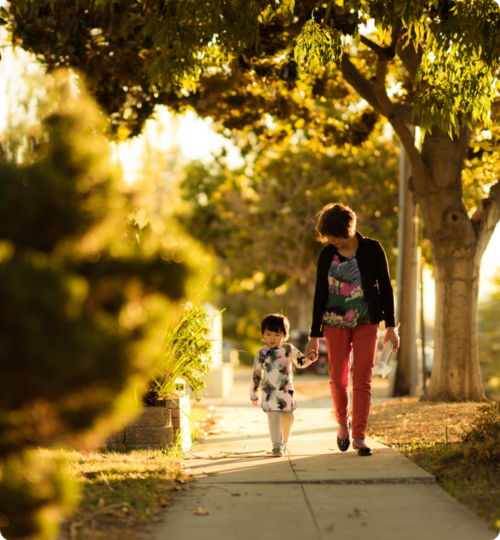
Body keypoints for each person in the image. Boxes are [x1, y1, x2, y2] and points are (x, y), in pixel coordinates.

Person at [305, 203, 399, 457]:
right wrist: (314, 336)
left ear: (349, 229)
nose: (330, 240)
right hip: (333, 323)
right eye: (327, 236)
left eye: (333, 235)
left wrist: (391, 327)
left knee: (362, 378)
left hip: (367, 321)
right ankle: (342, 423)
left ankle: (359, 435)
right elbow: (320, 294)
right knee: (338, 378)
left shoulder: (372, 249)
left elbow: (386, 289)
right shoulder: (327, 255)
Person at [250, 313, 317, 457]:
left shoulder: (288, 349)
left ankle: (284, 440)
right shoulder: (261, 353)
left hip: (286, 392)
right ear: (263, 335)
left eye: (276, 334)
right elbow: (256, 373)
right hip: (269, 393)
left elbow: (300, 363)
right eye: (268, 334)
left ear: (284, 335)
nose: (272, 338)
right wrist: (254, 393)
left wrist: (310, 359)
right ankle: (277, 445)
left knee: (289, 418)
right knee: (273, 419)